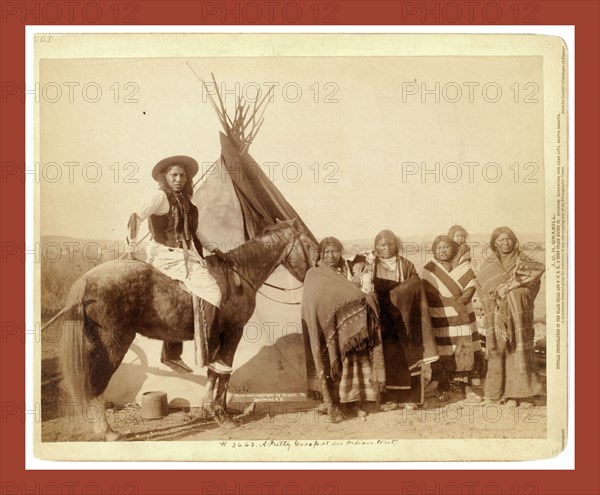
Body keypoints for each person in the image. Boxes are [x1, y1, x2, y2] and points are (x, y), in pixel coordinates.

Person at [127, 155, 231, 375]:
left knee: (182, 298)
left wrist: (215, 249)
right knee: (213, 293)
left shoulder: (185, 202)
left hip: (184, 255)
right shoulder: (160, 197)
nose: (179, 179)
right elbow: (137, 216)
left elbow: (195, 232)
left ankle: (171, 355)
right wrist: (131, 245)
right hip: (166, 255)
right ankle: (210, 355)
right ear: (165, 176)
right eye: (174, 175)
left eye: (183, 175)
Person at [362, 230, 438, 408]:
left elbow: (416, 288)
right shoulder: (370, 266)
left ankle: (410, 399)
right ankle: (390, 399)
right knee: (389, 357)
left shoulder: (406, 265)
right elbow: (365, 290)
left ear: (396, 245)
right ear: (376, 247)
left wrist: (399, 295)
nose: (386, 248)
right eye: (382, 245)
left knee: (409, 355)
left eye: (390, 244)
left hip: (406, 319)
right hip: (384, 320)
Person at [475, 227, 545, 405]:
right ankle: (497, 393)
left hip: (519, 314)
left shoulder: (524, 260)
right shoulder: (489, 264)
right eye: (500, 240)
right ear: (494, 243)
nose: (505, 243)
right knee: (499, 351)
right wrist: (501, 297)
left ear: (514, 241)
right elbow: (482, 287)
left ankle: (520, 395)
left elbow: (534, 281)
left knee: (518, 350)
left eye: (508, 239)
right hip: (497, 317)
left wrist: (514, 293)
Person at [421, 235, 482, 402]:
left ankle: (466, 386)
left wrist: (458, 304)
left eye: (446, 247)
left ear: (453, 249)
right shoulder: (428, 270)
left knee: (463, 349)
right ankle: (442, 386)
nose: (442, 250)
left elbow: (470, 289)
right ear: (434, 250)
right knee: (443, 351)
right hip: (440, 317)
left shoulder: (464, 267)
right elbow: (427, 293)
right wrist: (449, 304)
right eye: (439, 247)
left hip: (462, 316)